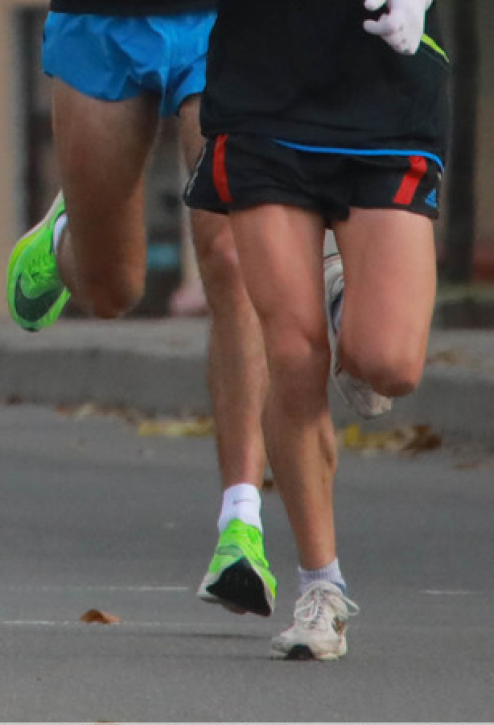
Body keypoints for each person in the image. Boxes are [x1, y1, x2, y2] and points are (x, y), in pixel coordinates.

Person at [185, 0, 448, 660]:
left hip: (383, 92)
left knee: (388, 362)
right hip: (262, 98)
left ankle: (344, 294)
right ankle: (320, 587)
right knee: (294, 351)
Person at [5, 0, 279, 618]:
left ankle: (242, 524)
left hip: (224, 25)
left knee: (231, 259)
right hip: (102, 22)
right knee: (113, 291)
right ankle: (63, 238)